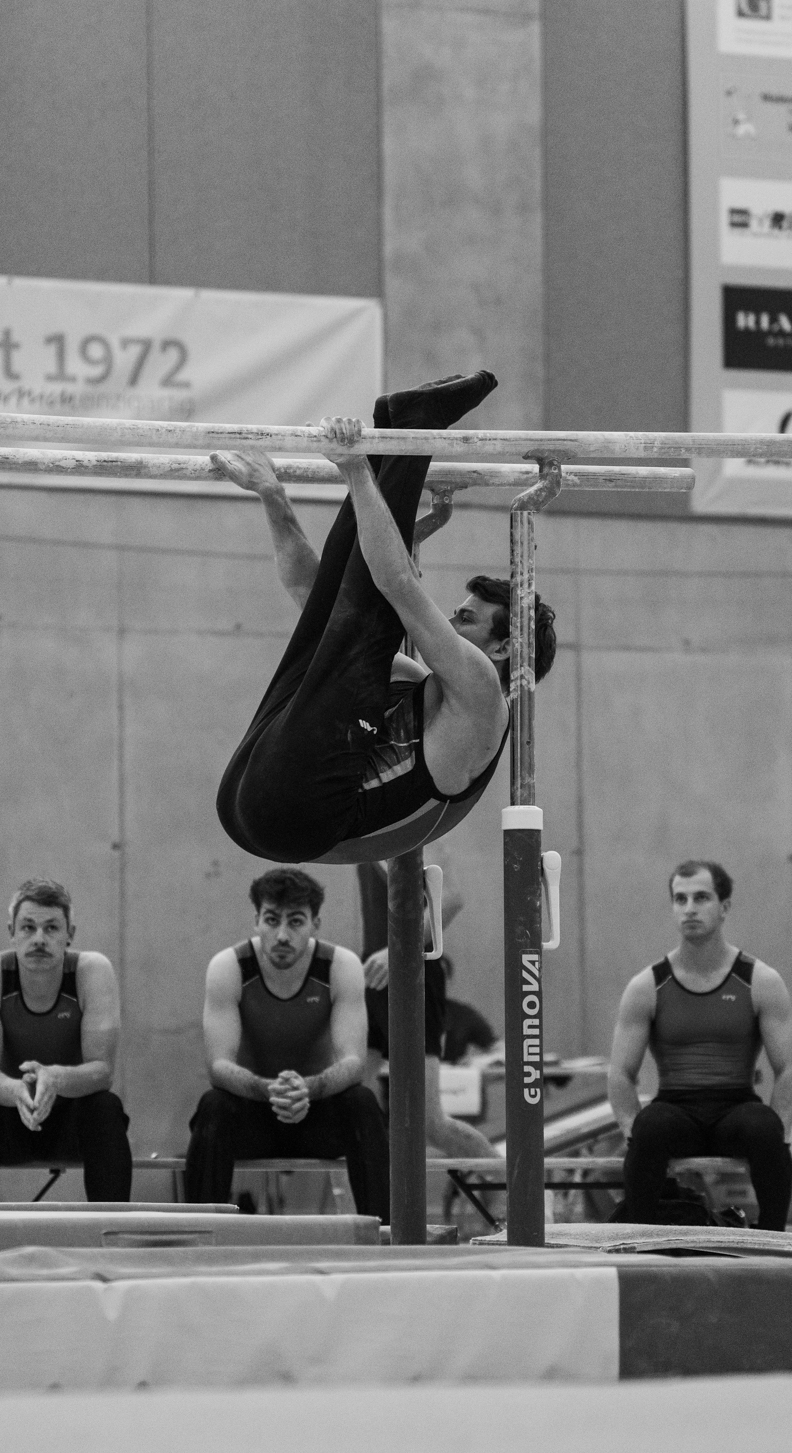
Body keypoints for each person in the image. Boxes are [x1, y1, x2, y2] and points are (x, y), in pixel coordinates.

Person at [212, 372, 557, 864]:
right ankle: (397, 429)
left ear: (504, 648)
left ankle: (413, 431)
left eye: (466, 619)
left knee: (378, 616)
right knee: (334, 625)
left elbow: (395, 583)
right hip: (249, 800)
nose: (449, 625)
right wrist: (273, 496)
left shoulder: (485, 701)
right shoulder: (408, 682)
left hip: (297, 818)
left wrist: (355, 469)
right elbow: (310, 593)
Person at [185, 867, 390, 1219]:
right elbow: (218, 1066)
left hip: (317, 1114)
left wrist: (307, 1089)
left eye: (295, 922)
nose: (282, 935)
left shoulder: (340, 966)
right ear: (256, 921)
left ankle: (387, 1232)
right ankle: (201, 1231)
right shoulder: (229, 967)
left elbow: (354, 1063)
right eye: (271, 920)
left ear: (315, 924)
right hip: (254, 1115)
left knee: (362, 1102)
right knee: (213, 1106)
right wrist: (272, 1091)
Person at [607, 860, 792, 1231]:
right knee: (649, 1128)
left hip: (736, 1110)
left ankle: (773, 1237)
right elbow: (620, 1073)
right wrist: (632, 1133)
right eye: (680, 899)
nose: (690, 908)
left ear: (724, 907)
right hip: (676, 1111)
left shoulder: (761, 981)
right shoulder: (647, 986)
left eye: (701, 898)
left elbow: (788, 1069)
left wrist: (784, 1136)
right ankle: (641, 1238)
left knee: (766, 1129)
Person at [0, 877, 132, 1202]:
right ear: (11, 931)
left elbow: (102, 1071)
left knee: (106, 1108)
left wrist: (55, 1078)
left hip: (71, 1122)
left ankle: (111, 1225)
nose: (39, 939)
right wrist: (16, 1090)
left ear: (69, 934)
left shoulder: (92, 971)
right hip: (11, 1113)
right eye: (28, 927)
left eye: (51, 928)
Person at [358, 847, 499, 1157]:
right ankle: (369, 1192)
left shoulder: (418, 827)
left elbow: (451, 898)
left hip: (410, 970)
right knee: (352, 1115)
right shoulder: (365, 831)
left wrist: (398, 949)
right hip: (374, 971)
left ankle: (507, 1187)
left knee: (428, 1123)